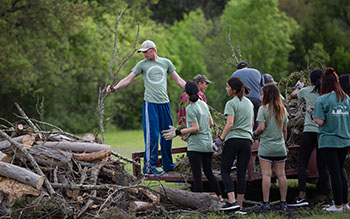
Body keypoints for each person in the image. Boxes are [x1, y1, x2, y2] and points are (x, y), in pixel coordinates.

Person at [107, 40, 185, 175]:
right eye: (142, 53)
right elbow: (128, 79)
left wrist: (194, 92)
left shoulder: (166, 63)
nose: (144, 55)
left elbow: (178, 80)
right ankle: (150, 167)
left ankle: (168, 165)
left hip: (164, 103)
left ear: (153, 50)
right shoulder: (142, 65)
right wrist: (115, 88)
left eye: (145, 52)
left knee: (168, 134)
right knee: (152, 136)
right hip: (150, 104)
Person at [162, 81, 222, 201]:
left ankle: (199, 202)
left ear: (186, 93)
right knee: (209, 173)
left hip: (196, 145)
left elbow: (195, 128)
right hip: (207, 143)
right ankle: (220, 198)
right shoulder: (204, 104)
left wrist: (178, 132)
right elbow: (211, 123)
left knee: (197, 176)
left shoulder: (190, 108)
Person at [288, 69, 329, 207]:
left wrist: (299, 87)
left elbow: (293, 95)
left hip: (309, 131)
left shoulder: (307, 90)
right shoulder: (327, 92)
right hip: (323, 132)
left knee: (302, 163)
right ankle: (323, 198)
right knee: (322, 166)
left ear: (310, 80)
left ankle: (301, 196)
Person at [213, 77, 254, 214]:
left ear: (234, 89)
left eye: (227, 86)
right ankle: (240, 207)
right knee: (241, 174)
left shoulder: (231, 103)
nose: (226, 88)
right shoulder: (249, 103)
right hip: (247, 141)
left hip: (233, 140)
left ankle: (232, 202)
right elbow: (252, 124)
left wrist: (219, 140)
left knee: (225, 171)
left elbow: (230, 124)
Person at [313, 67, 350, 212]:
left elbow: (320, 121)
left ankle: (338, 205)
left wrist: (311, 114)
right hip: (345, 139)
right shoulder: (347, 99)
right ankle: (345, 203)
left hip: (329, 140)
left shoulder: (322, 100)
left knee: (334, 172)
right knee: (340, 171)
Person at [253, 84, 289, 211]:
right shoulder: (283, 110)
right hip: (280, 147)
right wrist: (282, 142)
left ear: (267, 95)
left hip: (266, 147)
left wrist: (255, 134)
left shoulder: (263, 109)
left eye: (263, 93)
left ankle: (266, 202)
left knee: (267, 175)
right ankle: (283, 202)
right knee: (281, 175)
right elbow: (285, 130)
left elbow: (261, 128)